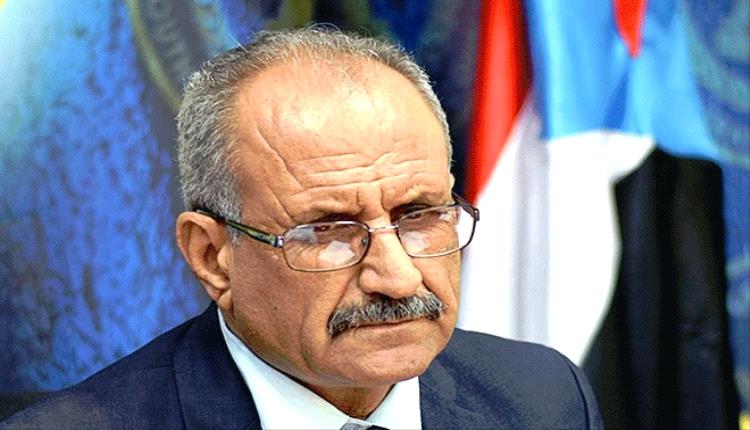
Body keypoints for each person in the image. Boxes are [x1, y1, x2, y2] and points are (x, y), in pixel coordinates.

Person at [1, 27, 601, 429]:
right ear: (212, 256)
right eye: (329, 232)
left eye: (419, 217)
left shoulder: (542, 398)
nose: (398, 278)